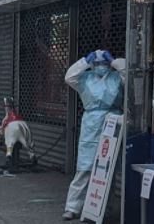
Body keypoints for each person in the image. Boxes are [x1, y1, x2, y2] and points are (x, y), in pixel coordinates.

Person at [62, 49, 125, 220]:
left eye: (104, 63)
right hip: (91, 124)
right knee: (85, 167)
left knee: (109, 168)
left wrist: (114, 61)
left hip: (113, 121)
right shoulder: (85, 78)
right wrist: (84, 61)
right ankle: (73, 207)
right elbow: (69, 77)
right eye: (97, 63)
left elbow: (130, 74)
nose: (100, 67)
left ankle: (106, 207)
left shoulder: (116, 77)